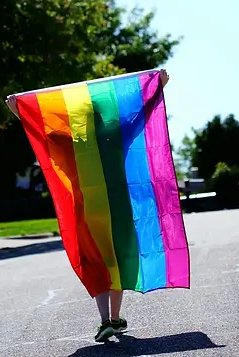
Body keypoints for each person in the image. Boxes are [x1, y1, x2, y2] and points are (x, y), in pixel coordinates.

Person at [94, 68, 170, 343]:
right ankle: (114, 318)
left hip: (91, 208)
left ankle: (106, 321)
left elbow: (43, 135)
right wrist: (158, 87)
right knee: (119, 259)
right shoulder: (118, 130)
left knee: (100, 261)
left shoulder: (78, 140)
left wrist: (20, 112)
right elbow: (143, 115)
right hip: (119, 205)